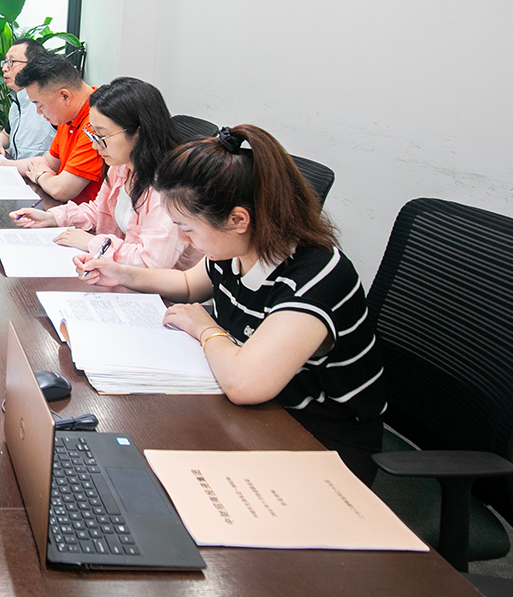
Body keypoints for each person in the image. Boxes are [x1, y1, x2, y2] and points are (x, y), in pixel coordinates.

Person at [76, 126, 385, 483]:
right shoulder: (237, 247)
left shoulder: (316, 276)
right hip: (257, 412)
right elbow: (188, 284)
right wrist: (120, 273)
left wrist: (205, 328)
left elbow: (244, 384)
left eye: (188, 228)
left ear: (238, 219)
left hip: (318, 440)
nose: (183, 238)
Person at [7, 77, 198, 275]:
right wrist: (52, 217)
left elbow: (151, 262)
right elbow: (99, 210)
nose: (95, 145)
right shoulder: (122, 166)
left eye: (102, 136)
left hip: (162, 289)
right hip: (124, 276)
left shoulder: (169, 187)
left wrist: (93, 242)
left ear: (139, 133)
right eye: (93, 135)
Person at [0, 53, 102, 204]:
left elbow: (62, 190)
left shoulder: (97, 123)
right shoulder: (69, 116)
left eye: (40, 105)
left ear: (65, 96)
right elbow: (49, 162)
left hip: (88, 216)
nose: (38, 112)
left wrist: (40, 175)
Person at [0, 37, 56, 161]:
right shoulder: (17, 100)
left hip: (40, 171)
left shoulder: (51, 103)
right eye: (5, 62)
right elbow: (6, 133)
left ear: (34, 65)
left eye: (11, 62)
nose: (4, 68)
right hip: (15, 168)